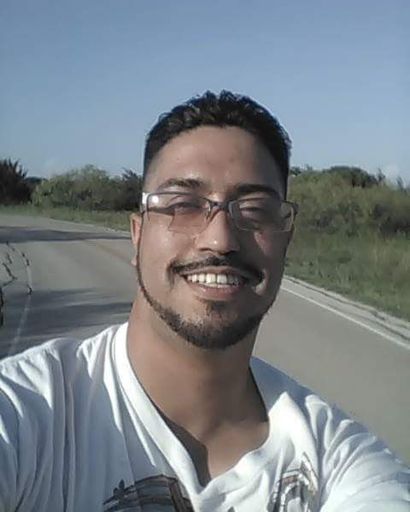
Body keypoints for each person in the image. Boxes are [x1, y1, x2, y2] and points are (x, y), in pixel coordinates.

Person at [0, 91, 408, 512]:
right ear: (138, 234)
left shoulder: (338, 459)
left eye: (254, 210)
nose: (220, 239)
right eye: (183, 205)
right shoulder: (32, 412)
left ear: (285, 239)